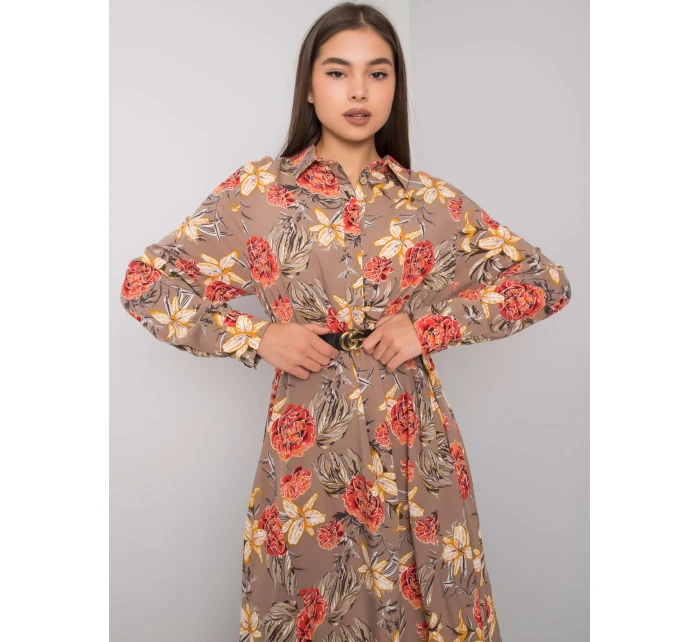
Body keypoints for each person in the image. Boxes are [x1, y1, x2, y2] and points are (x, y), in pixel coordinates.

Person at [118, 3, 571, 641]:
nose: (359, 90)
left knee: (428, 610)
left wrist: (429, 328)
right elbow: (147, 284)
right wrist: (257, 335)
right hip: (310, 449)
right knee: (312, 605)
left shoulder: (430, 202)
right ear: (309, 86)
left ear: (394, 87)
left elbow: (545, 282)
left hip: (416, 446)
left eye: (377, 74)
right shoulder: (258, 195)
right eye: (338, 72)